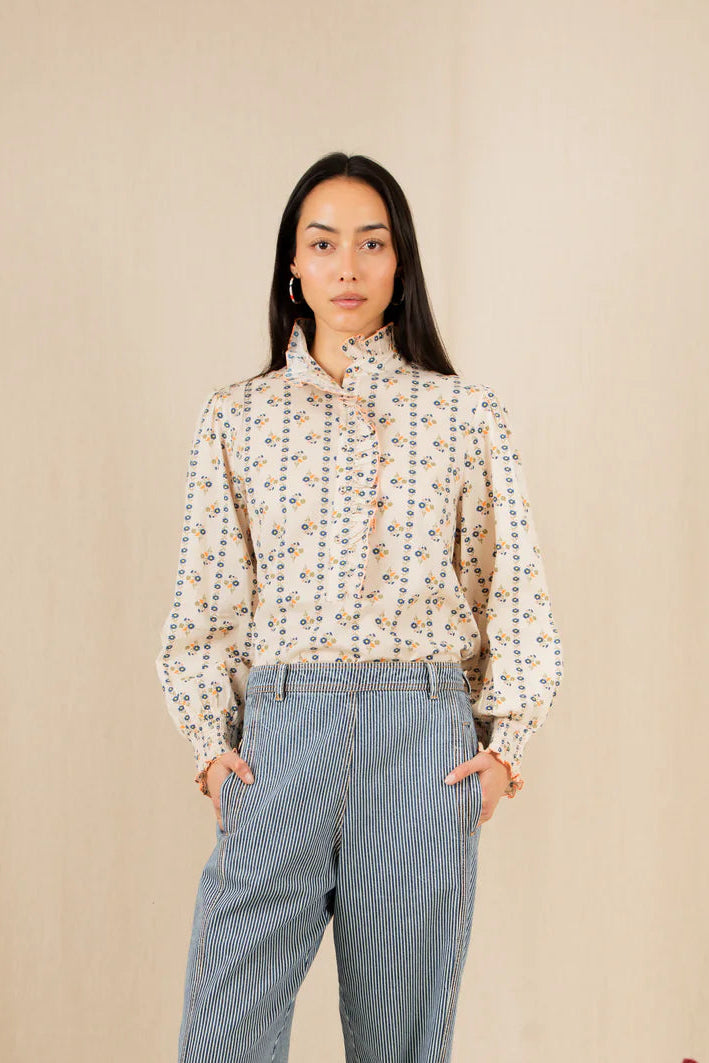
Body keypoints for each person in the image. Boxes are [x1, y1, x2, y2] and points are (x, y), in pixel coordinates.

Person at [155, 151, 564, 1063]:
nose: (347, 266)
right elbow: (204, 603)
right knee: (224, 1032)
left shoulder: (463, 415)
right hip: (278, 739)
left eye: (371, 243)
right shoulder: (237, 417)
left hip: (419, 744)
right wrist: (210, 750)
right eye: (323, 242)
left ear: (398, 262)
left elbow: (513, 588)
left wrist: (503, 750)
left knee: (399, 1043)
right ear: (291, 268)